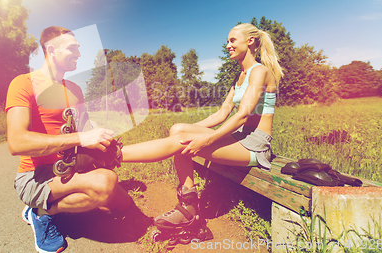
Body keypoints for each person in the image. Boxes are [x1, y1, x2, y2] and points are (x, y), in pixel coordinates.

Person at [120, 23, 283, 239]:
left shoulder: (260, 71)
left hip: (255, 145)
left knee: (182, 139)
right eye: (228, 41)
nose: (228, 45)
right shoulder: (240, 76)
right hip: (239, 138)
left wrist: (204, 141)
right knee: (178, 129)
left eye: (232, 40)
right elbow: (221, 115)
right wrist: (189, 133)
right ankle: (189, 206)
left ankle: (112, 155)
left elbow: (242, 115)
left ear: (250, 41)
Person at [6, 26, 130, 253]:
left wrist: (98, 136)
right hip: (36, 175)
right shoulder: (23, 83)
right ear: (51, 50)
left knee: (125, 207)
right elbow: (16, 142)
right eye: (73, 48)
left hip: (70, 168)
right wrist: (81, 137)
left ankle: (51, 203)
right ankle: (41, 212)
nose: (79, 54)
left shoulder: (74, 89)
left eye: (79, 48)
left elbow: (83, 129)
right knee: (105, 184)